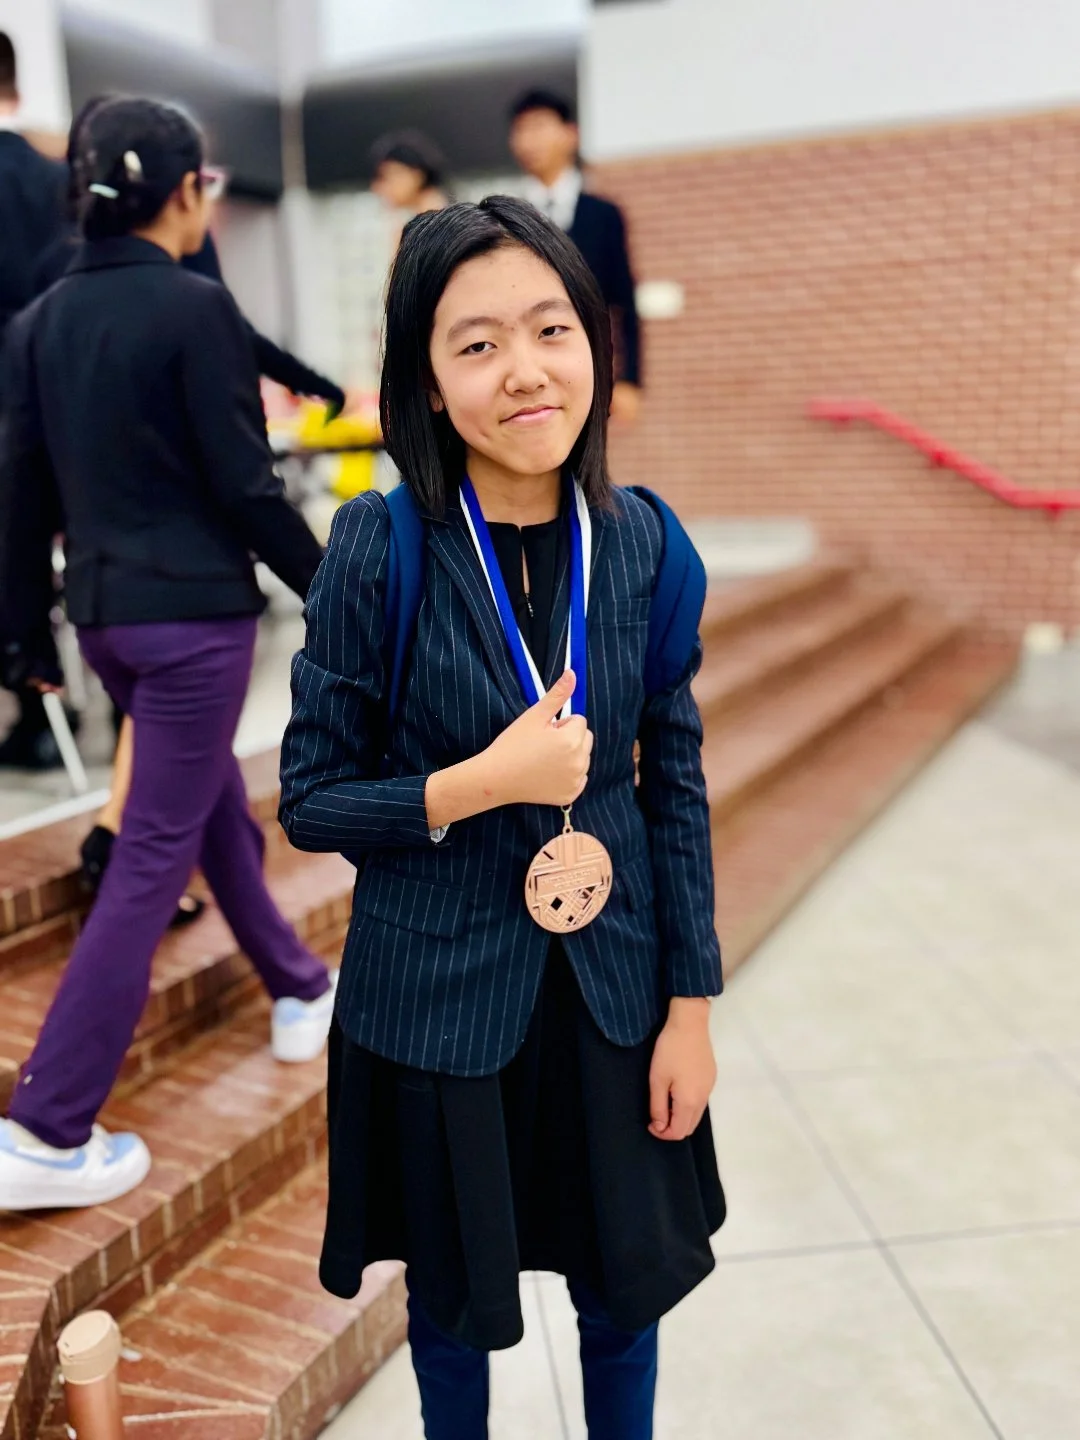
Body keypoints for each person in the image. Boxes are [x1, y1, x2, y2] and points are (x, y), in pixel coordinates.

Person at [279, 196, 724, 1440]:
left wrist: (691, 1008)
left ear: (594, 343)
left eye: (550, 328)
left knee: (623, 1293)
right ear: (424, 380)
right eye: (475, 345)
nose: (524, 371)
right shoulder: (378, 548)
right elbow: (310, 799)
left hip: (613, 998)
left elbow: (673, 785)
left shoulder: (642, 544)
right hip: (436, 1007)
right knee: (452, 1299)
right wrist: (482, 782)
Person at [0, 97, 337, 1212]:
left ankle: (297, 984)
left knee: (207, 816)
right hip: (195, 623)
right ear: (188, 191)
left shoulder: (36, 321)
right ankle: (47, 1127)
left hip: (107, 623)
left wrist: (24, 634)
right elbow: (246, 486)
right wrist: (344, 596)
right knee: (151, 857)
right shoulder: (195, 308)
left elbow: (19, 500)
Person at [0, 31, 72, 770]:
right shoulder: (59, 179)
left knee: (11, 556)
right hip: (74, 400)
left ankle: (38, 711)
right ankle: (120, 718)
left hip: (6, 407)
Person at [508, 88, 643, 428]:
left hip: (587, 367)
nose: (527, 141)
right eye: (520, 130)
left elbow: (624, 300)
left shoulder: (603, 214)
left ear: (571, 134)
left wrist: (629, 378)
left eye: (538, 127)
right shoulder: (507, 219)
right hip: (527, 371)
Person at [369, 129, 449, 220]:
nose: (377, 187)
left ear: (417, 175)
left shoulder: (435, 225)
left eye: (385, 177)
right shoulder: (431, 220)